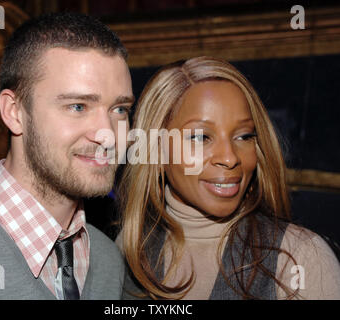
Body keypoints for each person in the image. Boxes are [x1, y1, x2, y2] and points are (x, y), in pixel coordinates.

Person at [117, 56, 340, 300]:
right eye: (201, 137)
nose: (230, 157)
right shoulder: (127, 251)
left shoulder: (300, 258)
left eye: (244, 136)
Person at [0, 12, 134, 299]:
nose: (108, 134)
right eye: (78, 106)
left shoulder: (108, 259)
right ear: (14, 112)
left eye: (120, 109)